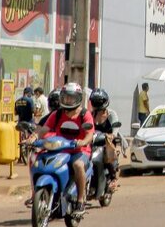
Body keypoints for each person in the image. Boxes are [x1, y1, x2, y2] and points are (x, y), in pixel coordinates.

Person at [36, 83, 95, 218]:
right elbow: (43, 130)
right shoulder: (56, 114)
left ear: (78, 98)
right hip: (60, 149)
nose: (68, 100)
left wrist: (83, 142)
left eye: (71, 98)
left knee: (77, 165)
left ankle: (80, 201)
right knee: (41, 161)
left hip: (80, 150)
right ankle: (38, 194)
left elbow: (89, 134)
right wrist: (36, 138)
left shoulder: (84, 114)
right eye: (66, 97)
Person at [89, 88, 121, 188]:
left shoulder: (111, 114)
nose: (97, 103)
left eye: (99, 101)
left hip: (108, 142)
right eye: (95, 101)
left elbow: (115, 128)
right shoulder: (90, 114)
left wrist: (112, 135)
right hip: (93, 141)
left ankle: (113, 178)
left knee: (108, 155)